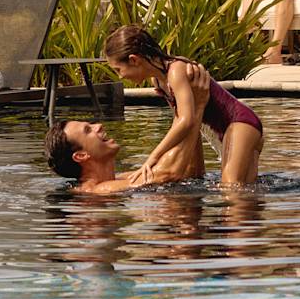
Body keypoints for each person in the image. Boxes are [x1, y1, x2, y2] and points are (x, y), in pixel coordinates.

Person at [103, 24, 265, 186]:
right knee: (246, 195)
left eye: (118, 69)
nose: (121, 76)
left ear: (134, 60)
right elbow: (180, 119)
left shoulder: (176, 70)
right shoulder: (159, 80)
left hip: (240, 123)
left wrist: (153, 157)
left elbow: (186, 120)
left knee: (230, 186)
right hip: (236, 129)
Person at [44, 118, 202, 194]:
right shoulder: (100, 190)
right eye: (88, 130)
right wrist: (192, 112)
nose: (98, 126)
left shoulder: (118, 179)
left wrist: (192, 111)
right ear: (81, 155)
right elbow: (168, 173)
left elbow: (189, 173)